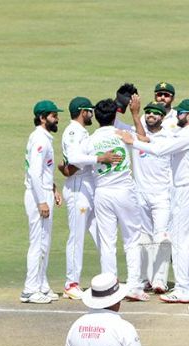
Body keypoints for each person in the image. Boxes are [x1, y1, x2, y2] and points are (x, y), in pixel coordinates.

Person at [117, 98, 189, 304]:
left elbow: (159, 150)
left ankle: (184, 288)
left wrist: (133, 142)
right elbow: (157, 143)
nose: (176, 117)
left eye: (180, 113)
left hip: (186, 190)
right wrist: (141, 136)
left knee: (182, 241)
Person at [58, 97, 122, 300]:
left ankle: (110, 279)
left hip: (89, 187)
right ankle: (71, 283)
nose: (92, 115)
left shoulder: (82, 132)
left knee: (100, 234)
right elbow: (75, 159)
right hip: (78, 188)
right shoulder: (73, 131)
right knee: (77, 236)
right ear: (82, 112)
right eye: (89, 111)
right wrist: (100, 159)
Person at [88, 98, 150, 301]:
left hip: (102, 192)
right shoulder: (122, 134)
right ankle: (133, 286)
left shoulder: (90, 140)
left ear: (97, 118)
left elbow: (76, 160)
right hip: (124, 191)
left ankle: (109, 286)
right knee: (132, 239)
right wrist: (135, 113)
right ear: (115, 115)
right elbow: (144, 139)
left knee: (107, 242)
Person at [127, 101, 175, 294]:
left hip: (162, 194)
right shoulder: (134, 132)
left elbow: (145, 141)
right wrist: (134, 113)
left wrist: (135, 115)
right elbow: (139, 136)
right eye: (148, 113)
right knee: (144, 238)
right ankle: (148, 278)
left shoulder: (169, 136)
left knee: (162, 237)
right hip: (140, 193)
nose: (151, 116)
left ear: (162, 117)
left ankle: (160, 281)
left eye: (155, 113)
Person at [21, 100, 64, 304]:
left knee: (45, 242)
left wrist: (53, 188)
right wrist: (41, 202)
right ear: (42, 117)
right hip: (38, 195)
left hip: (44, 192)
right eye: (54, 115)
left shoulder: (44, 138)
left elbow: (44, 172)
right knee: (38, 243)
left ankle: (42, 284)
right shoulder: (40, 139)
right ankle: (30, 289)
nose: (57, 119)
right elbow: (34, 173)